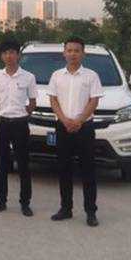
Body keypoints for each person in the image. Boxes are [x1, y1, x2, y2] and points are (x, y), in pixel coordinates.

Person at [48, 36, 103, 227]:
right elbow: (53, 100)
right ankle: (66, 208)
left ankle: (91, 211)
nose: (73, 54)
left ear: (83, 54)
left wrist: (79, 120)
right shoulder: (56, 76)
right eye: (69, 50)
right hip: (63, 127)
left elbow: (94, 100)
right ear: (64, 53)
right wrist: (64, 120)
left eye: (77, 51)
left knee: (88, 170)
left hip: (84, 128)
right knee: (64, 169)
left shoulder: (91, 76)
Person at [0, 39, 37, 216]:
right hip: (2, 123)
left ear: (18, 55)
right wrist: (5, 110)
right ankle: (1, 200)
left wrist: (21, 113)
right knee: (2, 164)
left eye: (12, 52)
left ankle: (25, 203)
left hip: (20, 123)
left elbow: (32, 102)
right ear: (1, 56)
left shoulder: (28, 77)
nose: (8, 56)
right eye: (5, 53)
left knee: (23, 164)